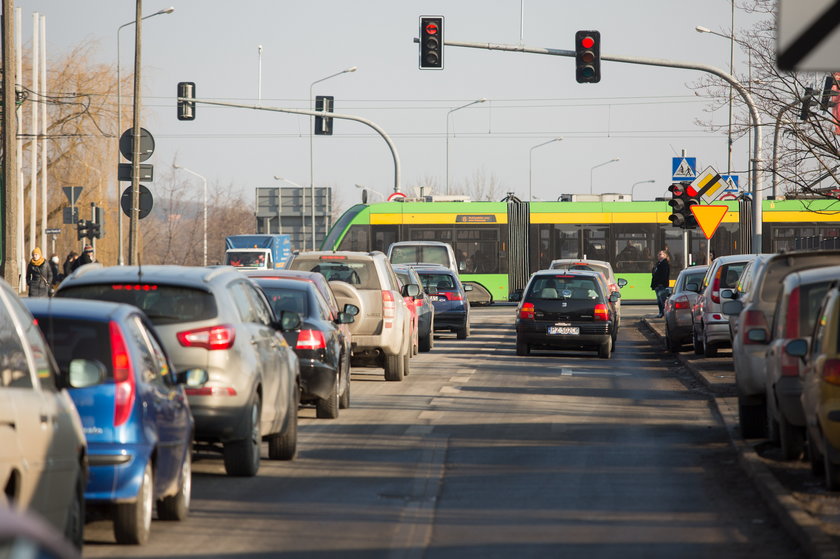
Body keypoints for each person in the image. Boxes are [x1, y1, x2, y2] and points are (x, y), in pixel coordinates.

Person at [650, 249, 670, 318]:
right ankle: (661, 313)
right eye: (658, 254)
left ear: (665, 255)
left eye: (660, 254)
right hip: (657, 285)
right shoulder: (658, 263)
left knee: (662, 300)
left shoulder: (664, 263)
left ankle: (663, 313)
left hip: (661, 285)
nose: (659, 256)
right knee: (659, 300)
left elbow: (663, 275)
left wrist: (660, 283)